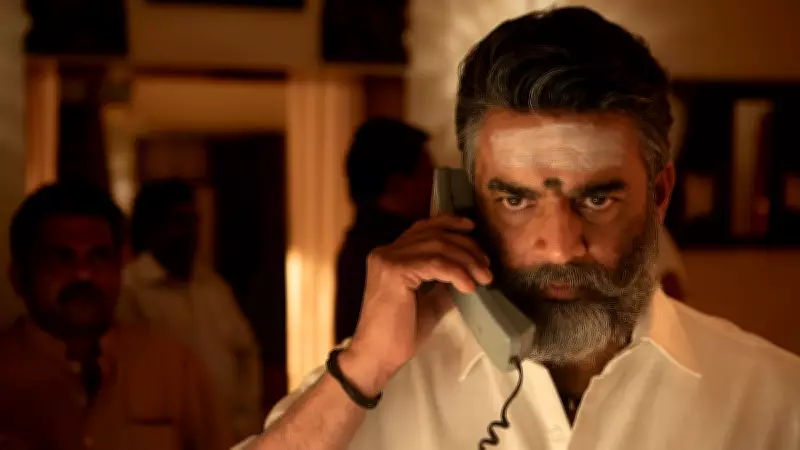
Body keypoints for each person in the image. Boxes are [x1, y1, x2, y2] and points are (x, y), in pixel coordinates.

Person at [237, 7, 800, 450]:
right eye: (514, 199)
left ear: (660, 195)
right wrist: (365, 366)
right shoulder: (372, 384)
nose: (559, 248)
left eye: (597, 198)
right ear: (463, 202)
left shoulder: (775, 399)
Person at [0, 182, 231, 450]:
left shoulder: (175, 369)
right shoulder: (7, 371)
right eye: (62, 258)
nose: (83, 274)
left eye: (99, 256)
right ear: (19, 276)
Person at [118, 179, 263, 441]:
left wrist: (245, 422)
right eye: (177, 221)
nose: (189, 231)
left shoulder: (213, 287)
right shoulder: (131, 290)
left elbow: (246, 354)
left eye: (193, 220)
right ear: (152, 228)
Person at [335, 118, 434, 342]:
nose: (434, 186)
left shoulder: (357, 245)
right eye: (428, 175)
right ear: (398, 184)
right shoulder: (401, 248)